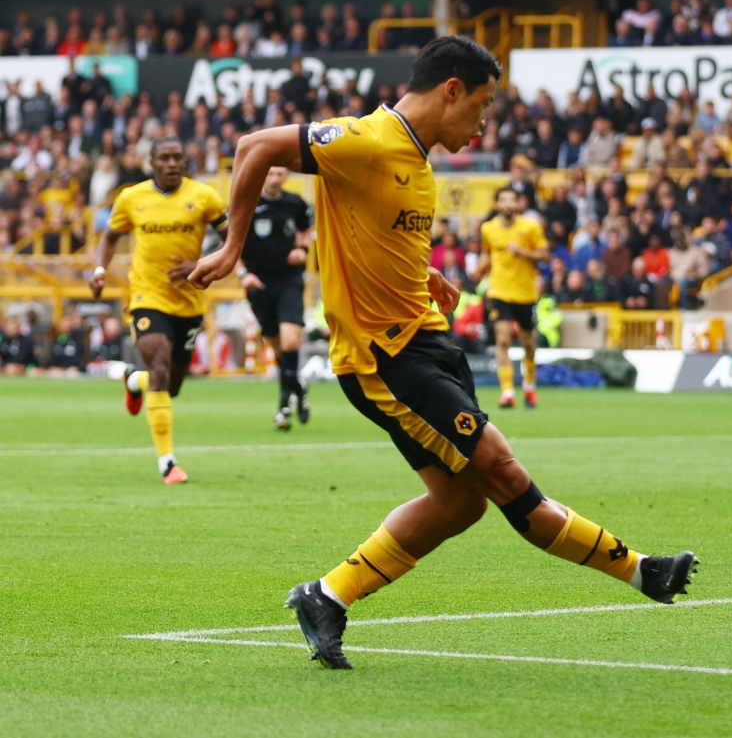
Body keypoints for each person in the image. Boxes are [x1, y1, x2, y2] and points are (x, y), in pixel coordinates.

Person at [188, 36, 697, 670]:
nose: (485, 121)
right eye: (482, 105)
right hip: (385, 359)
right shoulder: (365, 140)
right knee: (504, 474)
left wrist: (422, 275)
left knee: (462, 503)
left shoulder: (418, 162)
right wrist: (233, 247)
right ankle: (641, 571)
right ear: (450, 89)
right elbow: (253, 146)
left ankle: (327, 596)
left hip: (429, 342)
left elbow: (368, 231)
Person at [90, 135, 229, 485]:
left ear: (185, 161)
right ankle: (168, 462)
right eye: (164, 158)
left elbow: (233, 239)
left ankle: (134, 381)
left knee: (171, 385)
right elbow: (109, 237)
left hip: (190, 300)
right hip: (146, 296)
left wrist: (201, 263)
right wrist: (99, 270)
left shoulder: (205, 197)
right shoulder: (131, 198)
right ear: (151, 162)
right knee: (161, 364)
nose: (171, 163)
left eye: (177, 157)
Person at [237, 165, 314, 429]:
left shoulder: (295, 203)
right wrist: (243, 273)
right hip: (258, 284)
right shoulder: (246, 202)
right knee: (279, 350)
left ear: (286, 176)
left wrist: (302, 249)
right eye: (269, 174)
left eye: (279, 174)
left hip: (289, 279)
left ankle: (283, 407)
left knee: (291, 341)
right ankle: (299, 387)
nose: (274, 179)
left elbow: (305, 229)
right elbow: (230, 241)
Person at [479, 186, 549, 409]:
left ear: (518, 204)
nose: (508, 204)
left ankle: (529, 384)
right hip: (499, 292)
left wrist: (523, 252)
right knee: (503, 340)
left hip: (525, 294)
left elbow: (545, 254)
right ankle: (508, 392)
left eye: (512, 200)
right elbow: (487, 253)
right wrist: (482, 267)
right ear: (497, 204)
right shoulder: (488, 228)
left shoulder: (530, 227)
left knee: (528, 343)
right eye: (504, 200)